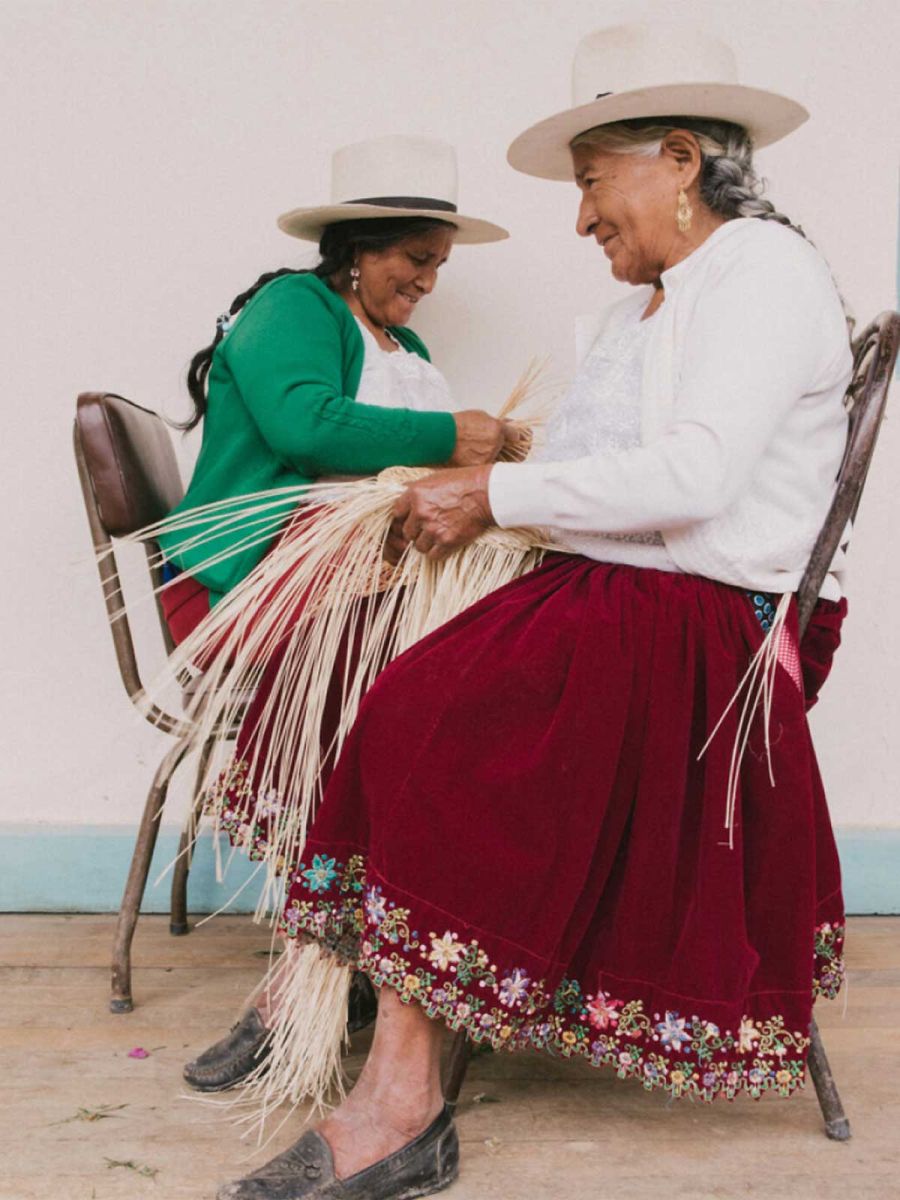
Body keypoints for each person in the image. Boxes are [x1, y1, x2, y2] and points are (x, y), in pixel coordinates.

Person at [216, 26, 852, 1200]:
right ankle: (396, 1012)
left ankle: (401, 1099)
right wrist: (489, 499)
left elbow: (698, 483)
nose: (581, 220)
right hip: (630, 580)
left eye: (590, 183)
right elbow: (622, 475)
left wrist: (495, 491)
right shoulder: (659, 302)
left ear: (676, 157)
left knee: (429, 715)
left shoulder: (762, 273)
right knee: (384, 671)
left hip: (703, 612)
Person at [155, 135, 512, 1093]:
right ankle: (318, 965)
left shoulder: (413, 348)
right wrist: (457, 436)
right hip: (247, 577)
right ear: (358, 247)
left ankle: (367, 955)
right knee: (392, 686)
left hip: (355, 576)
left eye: (440, 264)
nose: (429, 281)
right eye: (415, 259)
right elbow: (306, 426)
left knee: (468, 678)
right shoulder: (293, 307)